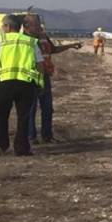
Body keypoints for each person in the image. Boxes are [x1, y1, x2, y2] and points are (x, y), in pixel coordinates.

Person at [0, 14, 45, 156]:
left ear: (8, 27)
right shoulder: (31, 42)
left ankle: (0, 146)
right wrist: (39, 82)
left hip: (5, 83)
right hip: (26, 84)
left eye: (2, 25)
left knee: (0, 115)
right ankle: (22, 148)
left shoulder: (1, 40)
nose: (1, 28)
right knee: (23, 117)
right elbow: (40, 65)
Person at [23, 15, 82, 144]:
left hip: (44, 75)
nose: (39, 27)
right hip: (29, 77)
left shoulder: (43, 37)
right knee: (31, 108)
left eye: (39, 24)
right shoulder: (22, 39)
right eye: (36, 25)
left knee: (47, 107)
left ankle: (47, 136)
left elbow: (53, 49)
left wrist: (71, 45)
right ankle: (31, 137)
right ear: (26, 26)